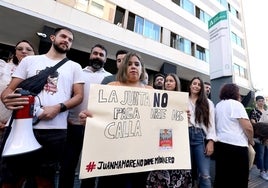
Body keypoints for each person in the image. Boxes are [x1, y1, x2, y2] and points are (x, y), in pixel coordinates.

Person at [0, 27, 84, 188]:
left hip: (55, 130)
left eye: (70, 39)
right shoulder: (29, 61)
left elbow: (78, 96)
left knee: (44, 180)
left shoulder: (74, 66)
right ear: (53, 38)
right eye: (63, 36)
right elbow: (9, 89)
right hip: (20, 125)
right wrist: (6, 99)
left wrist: (58, 108)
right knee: (11, 178)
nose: (66, 40)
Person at [79, 52, 153, 188]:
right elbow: (98, 115)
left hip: (139, 155)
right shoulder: (112, 87)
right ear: (123, 67)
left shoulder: (150, 91)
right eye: (129, 64)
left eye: (137, 64)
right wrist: (88, 119)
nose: (133, 67)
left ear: (142, 69)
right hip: (112, 156)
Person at [59, 44, 112, 188]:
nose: (97, 56)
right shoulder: (77, 73)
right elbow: (66, 95)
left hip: (96, 130)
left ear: (105, 59)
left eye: (101, 55)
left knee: (90, 168)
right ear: (90, 55)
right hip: (73, 125)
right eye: (95, 53)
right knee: (68, 165)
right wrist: (66, 117)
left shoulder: (110, 79)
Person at [146, 73, 192, 188]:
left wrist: (186, 118)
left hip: (178, 138)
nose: (168, 83)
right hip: (162, 136)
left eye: (171, 81)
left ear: (176, 83)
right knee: (162, 165)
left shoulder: (182, 100)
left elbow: (185, 123)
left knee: (176, 166)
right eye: (166, 81)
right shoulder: (158, 97)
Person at [0, 40, 35, 187]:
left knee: (19, 173)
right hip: (2, 125)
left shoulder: (36, 73)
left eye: (28, 49)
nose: (24, 51)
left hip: (25, 129)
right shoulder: (4, 68)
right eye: (20, 48)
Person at [214, 83, 254, 188]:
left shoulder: (218, 105)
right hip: (237, 147)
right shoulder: (236, 104)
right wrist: (251, 140)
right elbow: (248, 127)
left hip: (221, 146)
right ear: (235, 93)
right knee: (239, 180)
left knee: (222, 179)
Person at [188, 77, 216, 188]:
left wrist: (211, 141)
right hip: (184, 137)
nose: (196, 86)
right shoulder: (182, 99)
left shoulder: (208, 102)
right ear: (190, 85)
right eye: (194, 83)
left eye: (199, 85)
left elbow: (211, 123)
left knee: (205, 175)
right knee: (185, 173)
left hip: (200, 137)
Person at [249, 95, 268, 180]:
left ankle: (266, 170)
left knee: (267, 154)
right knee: (261, 153)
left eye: (262, 101)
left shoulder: (266, 112)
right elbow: (253, 123)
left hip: (267, 136)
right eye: (259, 101)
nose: (261, 102)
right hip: (259, 136)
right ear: (256, 102)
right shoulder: (253, 111)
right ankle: (262, 171)